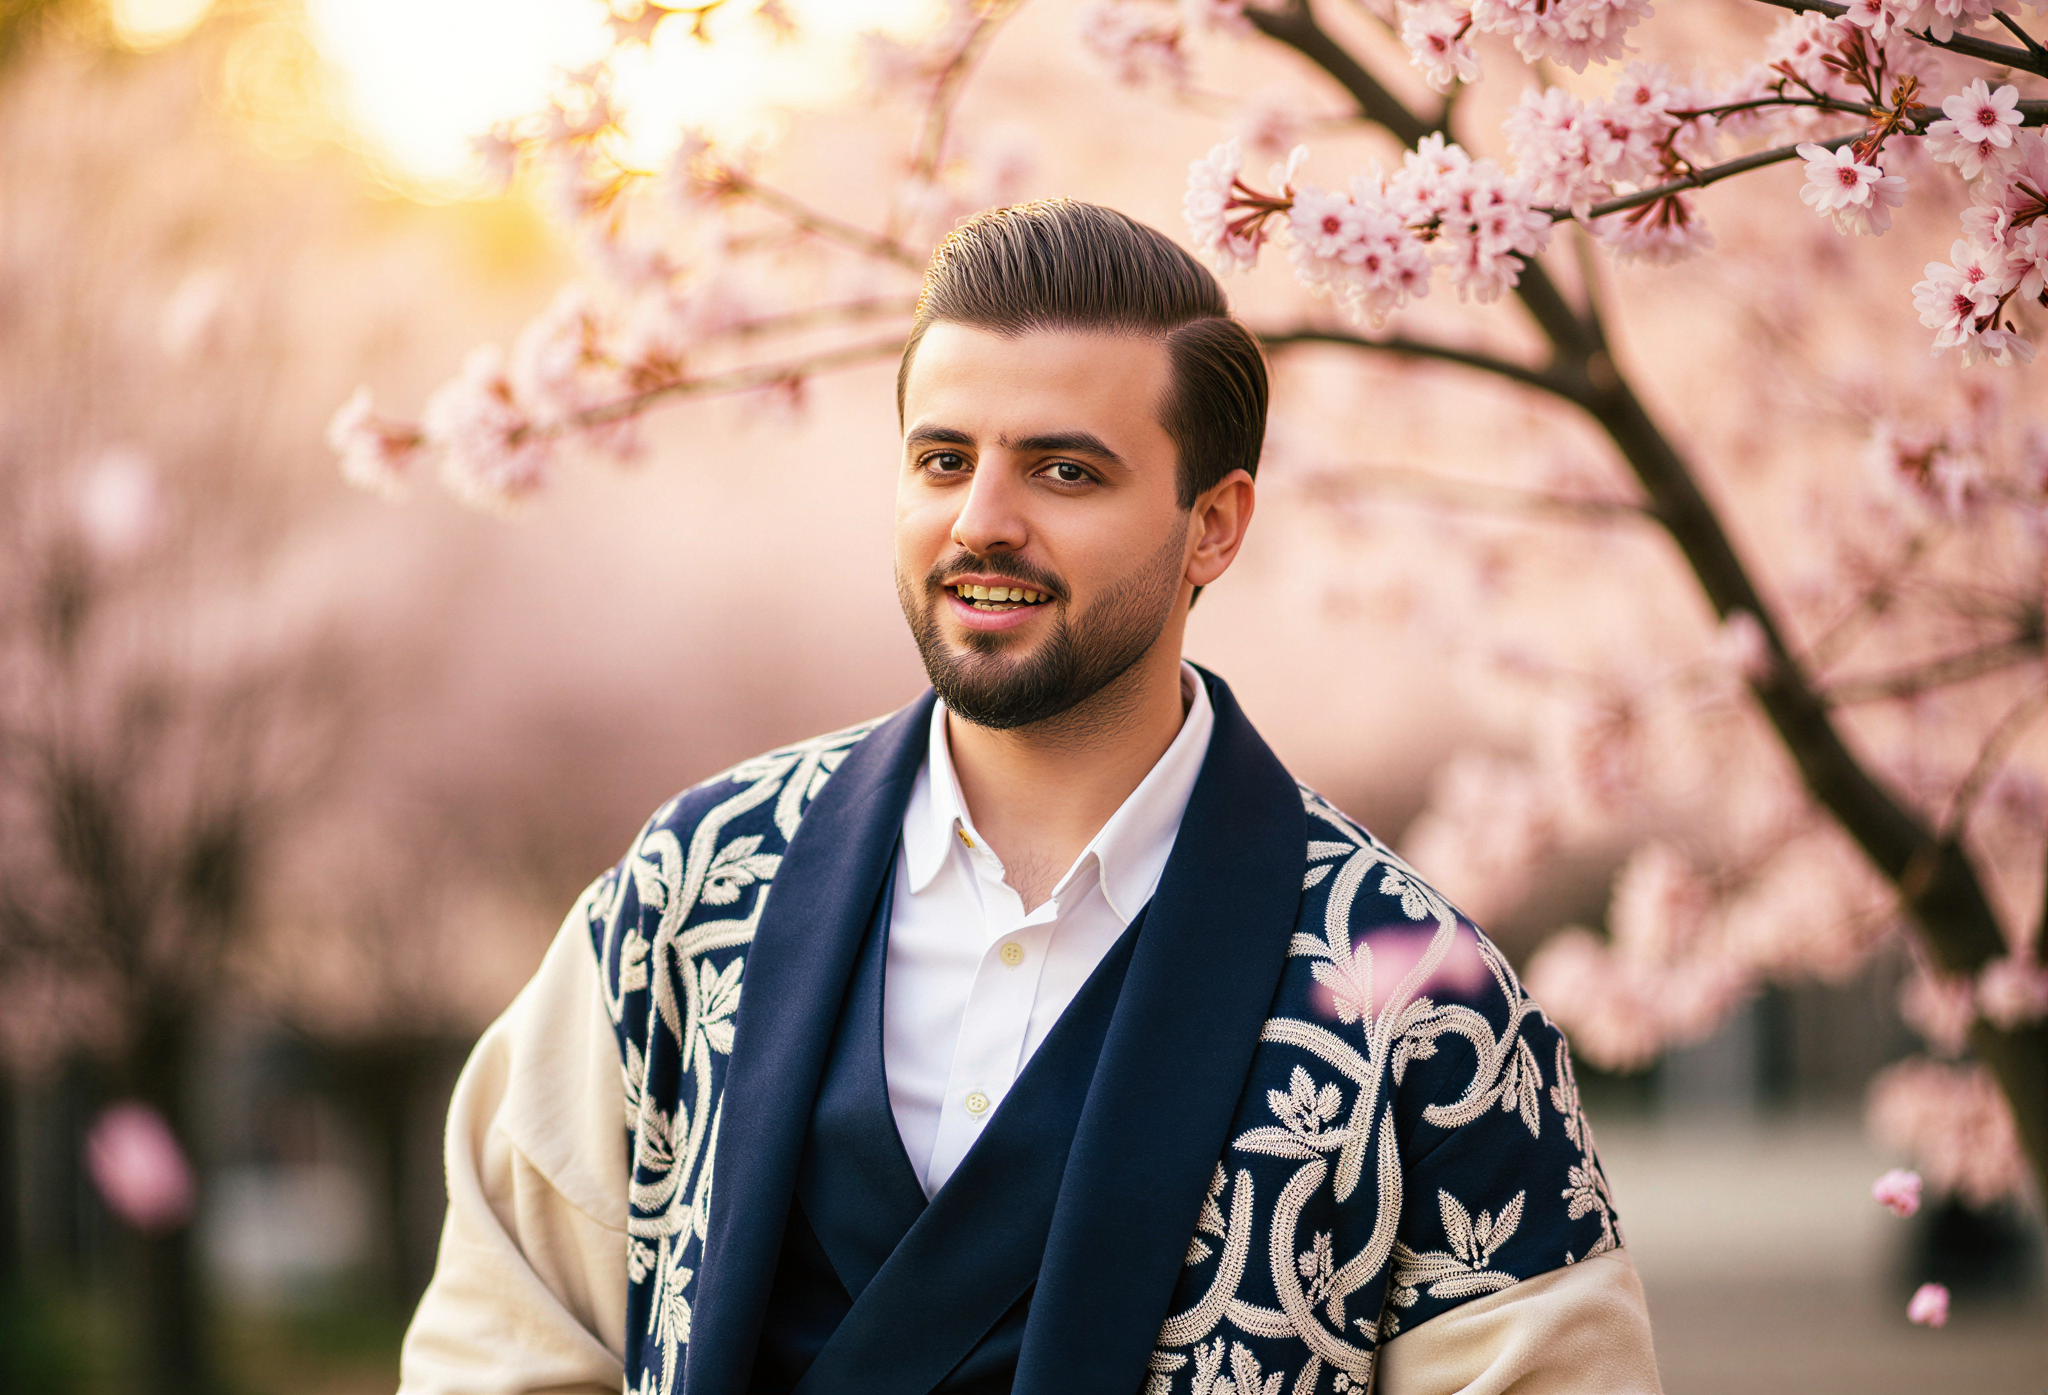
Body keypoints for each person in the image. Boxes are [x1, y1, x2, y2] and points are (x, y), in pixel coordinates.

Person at [398, 200, 1662, 1395]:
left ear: (1212, 527)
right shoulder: (692, 891)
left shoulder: (1411, 995)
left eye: (1063, 472)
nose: (981, 522)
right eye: (943, 459)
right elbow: (499, 1335)